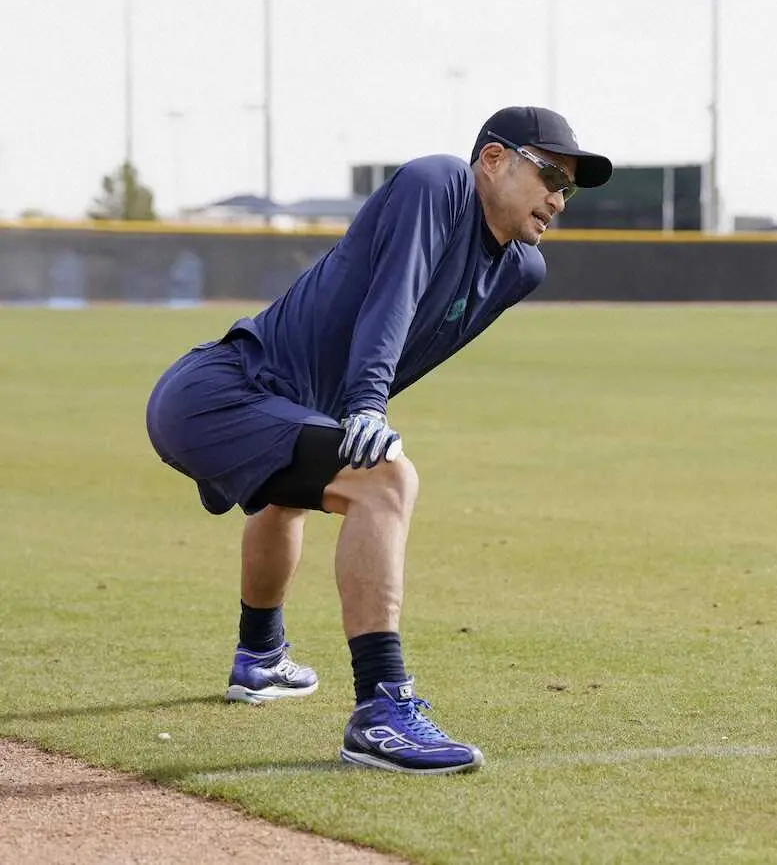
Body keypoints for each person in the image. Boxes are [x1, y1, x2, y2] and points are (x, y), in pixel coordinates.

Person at [145, 107, 612, 775]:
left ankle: (260, 659)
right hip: (217, 391)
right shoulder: (438, 183)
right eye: (548, 174)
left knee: (299, 494)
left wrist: (351, 415)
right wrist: (366, 406)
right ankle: (380, 711)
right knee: (386, 480)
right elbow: (393, 297)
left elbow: (417, 343)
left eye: (568, 187)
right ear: (493, 160)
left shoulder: (519, 270)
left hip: (277, 403)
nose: (558, 199)